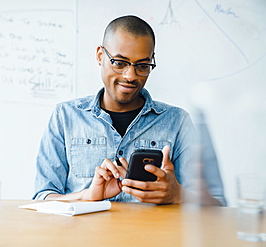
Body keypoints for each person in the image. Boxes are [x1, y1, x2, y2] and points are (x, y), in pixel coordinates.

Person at [33, 15, 226, 206]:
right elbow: (42, 198)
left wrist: (178, 195)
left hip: (153, 237)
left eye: (142, 66)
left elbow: (219, 206)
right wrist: (86, 195)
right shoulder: (65, 116)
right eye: (119, 63)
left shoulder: (178, 122)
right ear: (100, 56)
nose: (130, 76)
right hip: (83, 237)